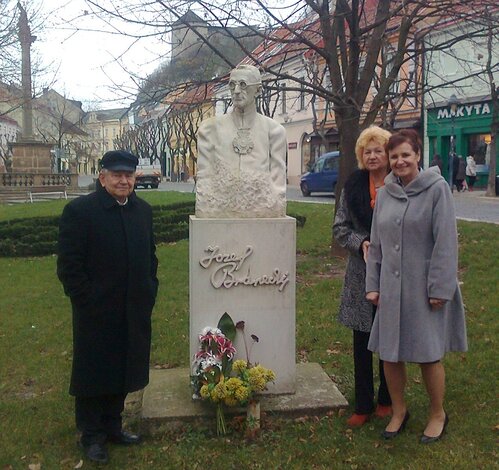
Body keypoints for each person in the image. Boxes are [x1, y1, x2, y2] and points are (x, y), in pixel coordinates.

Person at [57, 150, 159, 464]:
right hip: (96, 310)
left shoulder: (142, 210)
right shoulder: (80, 211)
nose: (123, 180)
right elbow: (69, 266)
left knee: (125, 365)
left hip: (133, 306)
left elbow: (150, 257)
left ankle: (114, 425)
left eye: (128, 175)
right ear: (102, 178)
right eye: (116, 175)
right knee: (94, 370)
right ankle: (92, 435)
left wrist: (149, 290)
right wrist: (85, 299)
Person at [366, 129, 467, 443]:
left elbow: (446, 242)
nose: (399, 162)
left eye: (405, 155)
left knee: (428, 354)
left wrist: (440, 288)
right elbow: (377, 243)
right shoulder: (385, 194)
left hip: (425, 289)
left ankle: (437, 413)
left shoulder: (437, 190)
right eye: (394, 156)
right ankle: (399, 410)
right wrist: (373, 284)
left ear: (418, 155)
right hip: (390, 289)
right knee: (389, 354)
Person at [333, 126, 392, 427]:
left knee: (389, 338)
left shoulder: (399, 185)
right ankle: (363, 403)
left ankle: (387, 399)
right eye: (366, 151)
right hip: (361, 273)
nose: (372, 156)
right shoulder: (353, 185)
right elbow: (340, 228)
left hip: (393, 273)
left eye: (377, 150)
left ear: (387, 154)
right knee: (362, 340)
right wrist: (361, 243)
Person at [195, 64, 287, 218]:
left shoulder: (275, 131)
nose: (236, 91)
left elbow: (278, 188)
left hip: (263, 208)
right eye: (232, 85)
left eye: (243, 85)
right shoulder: (209, 130)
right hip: (218, 207)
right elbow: (204, 181)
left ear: (257, 90)